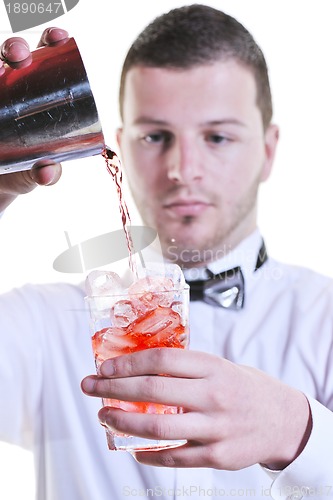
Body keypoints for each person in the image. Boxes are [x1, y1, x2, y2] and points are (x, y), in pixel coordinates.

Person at [1, 5, 332, 500]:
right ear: (119, 147)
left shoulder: (325, 319)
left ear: (267, 150)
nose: (183, 168)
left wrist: (295, 429)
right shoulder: (41, 324)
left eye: (217, 136)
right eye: (155, 136)